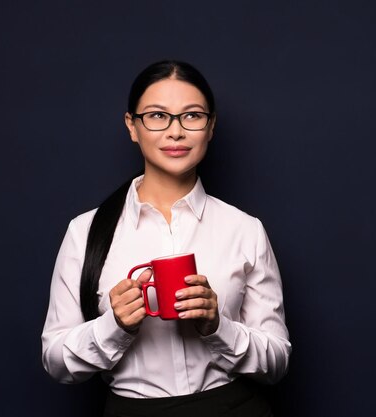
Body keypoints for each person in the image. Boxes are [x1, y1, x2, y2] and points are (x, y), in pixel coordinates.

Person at [41, 60, 291, 417]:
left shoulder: (244, 229)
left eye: (192, 116)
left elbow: (277, 362)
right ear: (132, 126)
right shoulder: (85, 231)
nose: (176, 132)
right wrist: (115, 326)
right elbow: (56, 362)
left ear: (211, 126)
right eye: (157, 116)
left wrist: (217, 326)